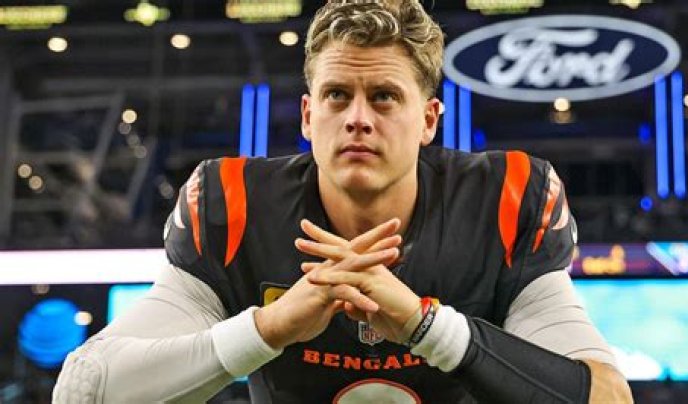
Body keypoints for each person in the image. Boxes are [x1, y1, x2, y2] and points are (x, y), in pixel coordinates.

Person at [53, 0, 633, 402]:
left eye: (384, 96)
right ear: (309, 116)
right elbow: (83, 391)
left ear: (429, 120)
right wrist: (269, 328)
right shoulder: (233, 205)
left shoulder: (504, 199)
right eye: (336, 95)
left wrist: (424, 324)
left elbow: (607, 395)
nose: (358, 118)